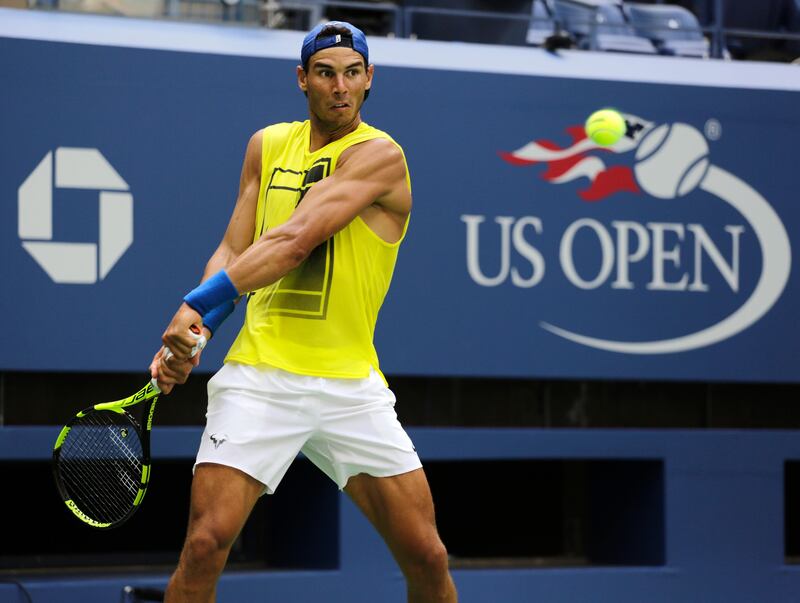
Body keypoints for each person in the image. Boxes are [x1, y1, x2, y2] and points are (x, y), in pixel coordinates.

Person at [150, 20, 458, 603]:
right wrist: (197, 331)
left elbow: (296, 240)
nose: (340, 87)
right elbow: (235, 247)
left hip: (350, 386)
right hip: (260, 377)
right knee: (205, 544)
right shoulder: (266, 145)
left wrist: (195, 304)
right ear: (302, 80)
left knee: (427, 556)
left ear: (369, 80)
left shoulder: (381, 155)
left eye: (352, 74)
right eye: (325, 73)